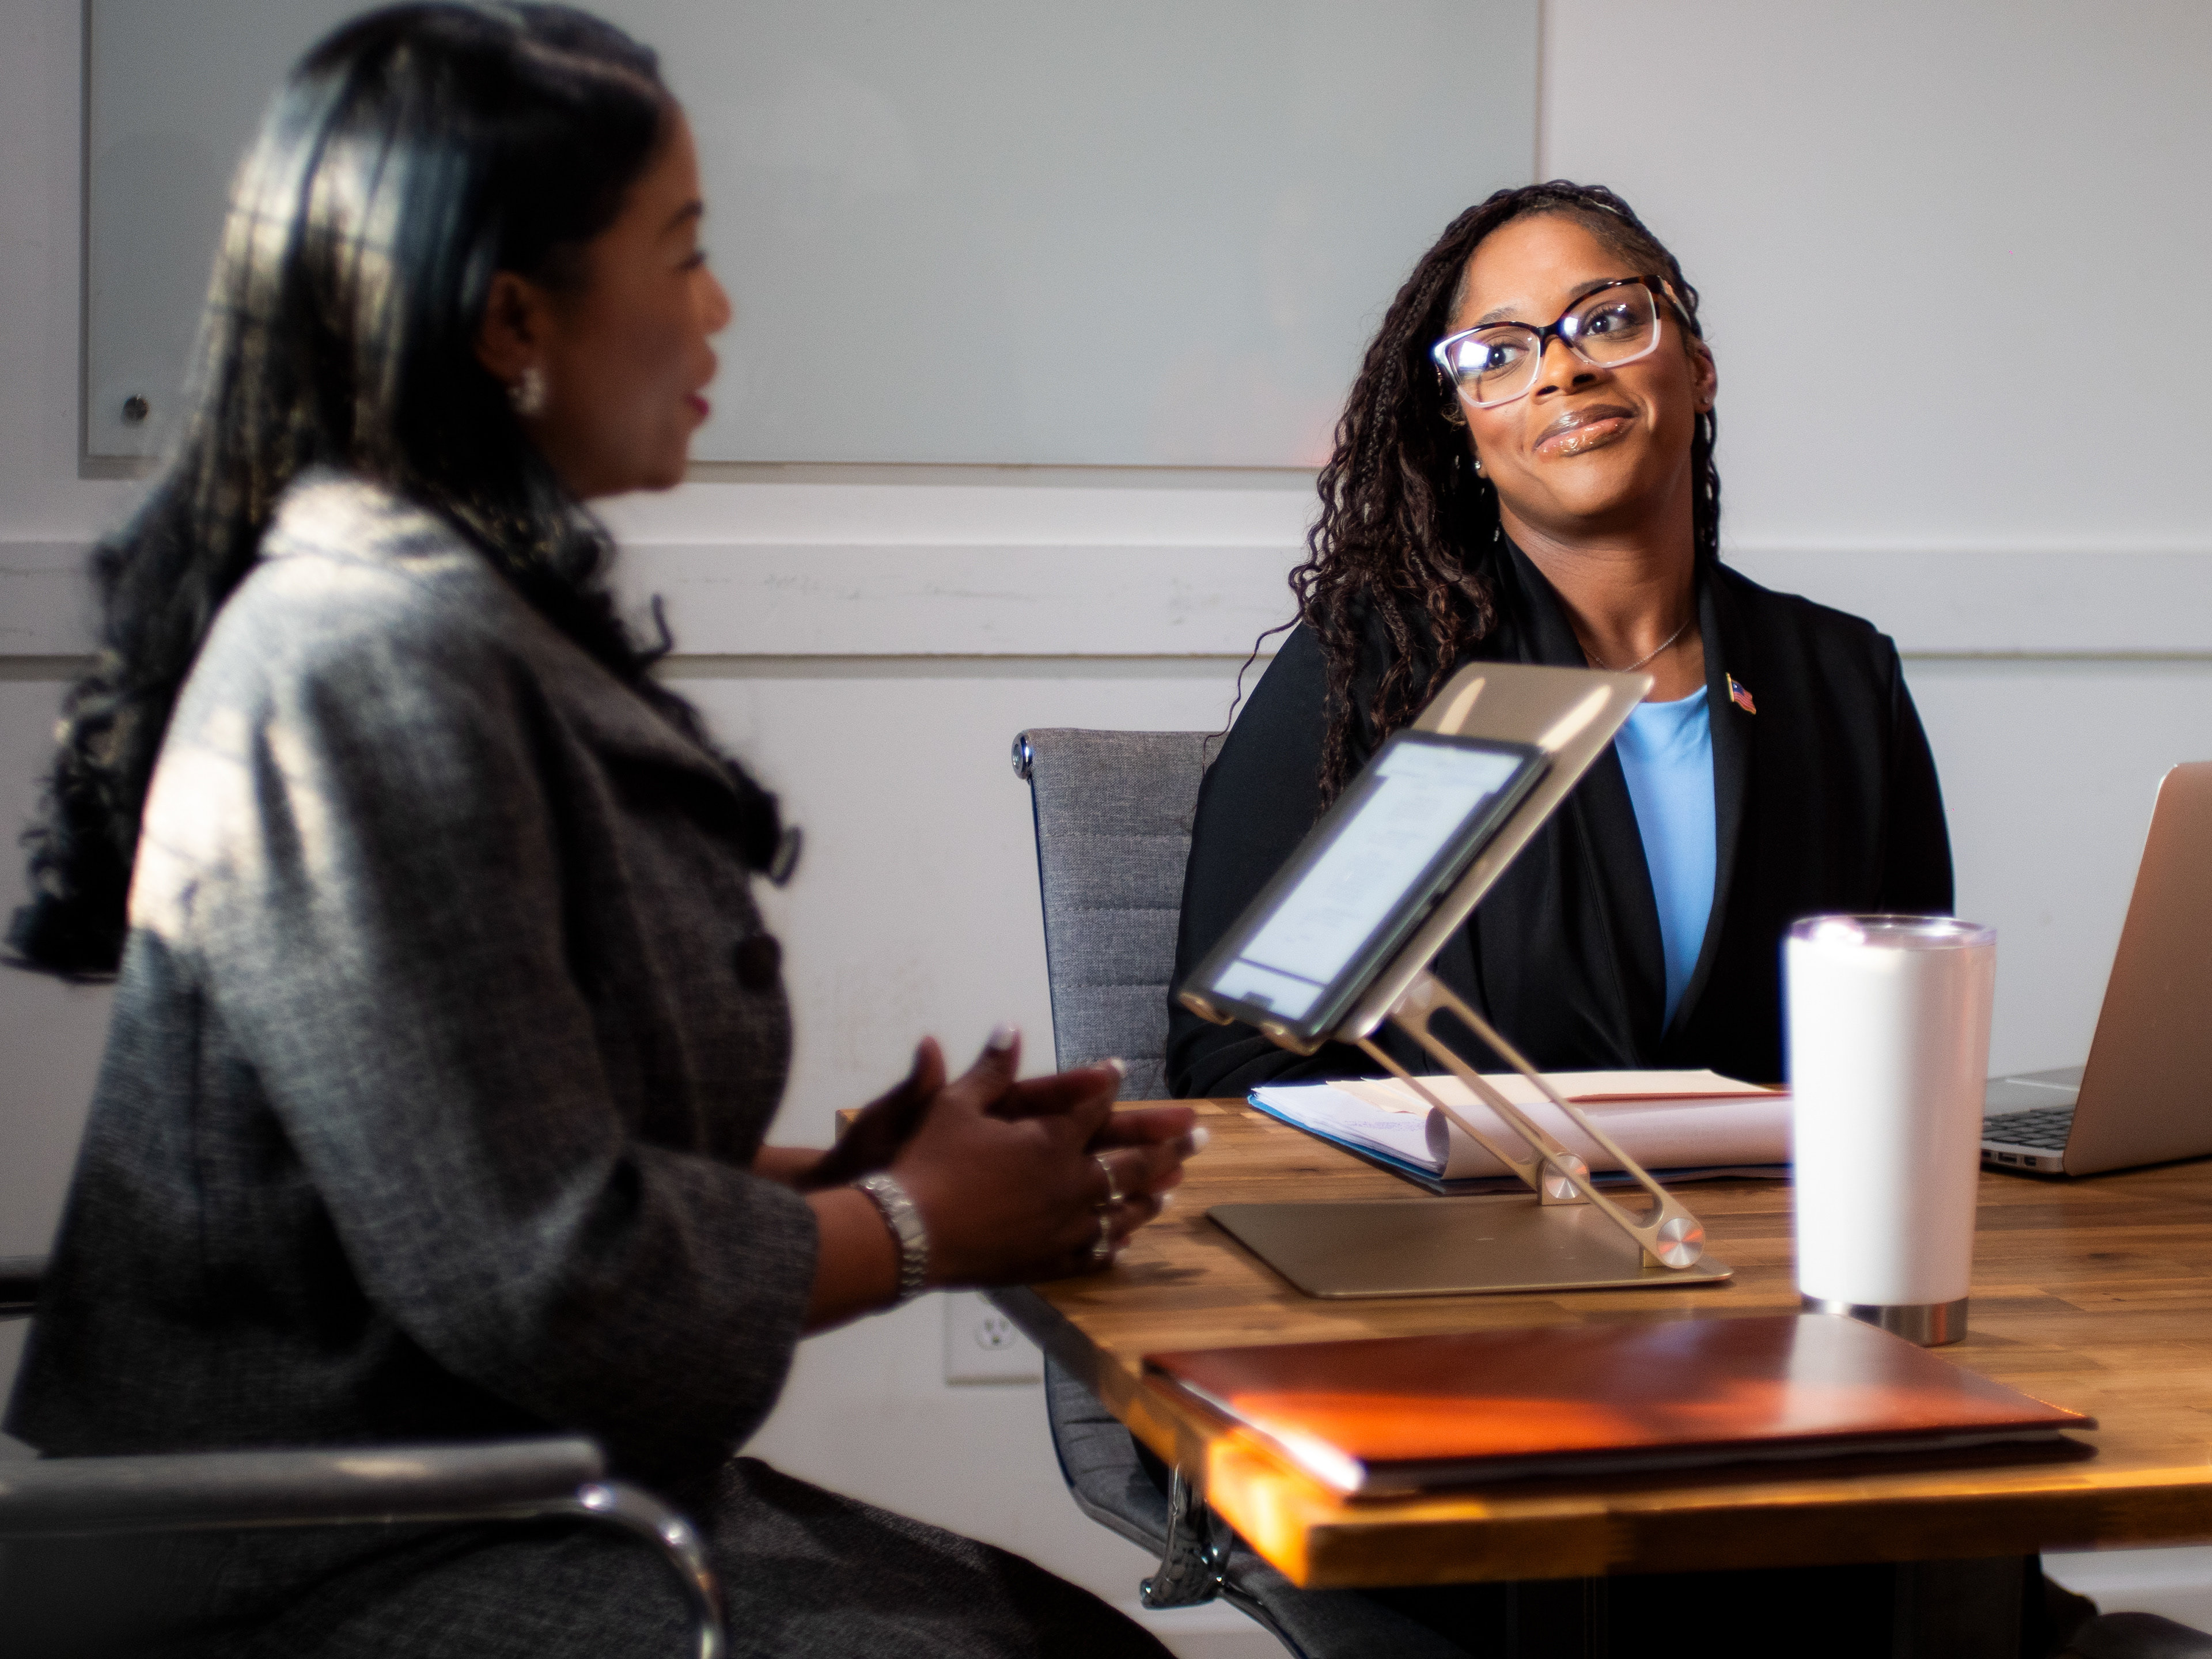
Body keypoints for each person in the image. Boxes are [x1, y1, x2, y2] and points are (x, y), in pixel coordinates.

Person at [2, 8, 1194, 1656]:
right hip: (315, 1546)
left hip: (480, 1487)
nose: (721, 309)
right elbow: (542, 1282)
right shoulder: (369, 660)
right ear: (512, 317)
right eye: (684, 253)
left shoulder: (448, 618)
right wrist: (923, 1227)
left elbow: (503, 1149)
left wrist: (872, 1175)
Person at [1170, 181, 1953, 1100]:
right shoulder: (1384, 670)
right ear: (1468, 427)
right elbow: (1239, 1060)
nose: (1562, 370)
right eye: (1498, 354)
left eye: (1608, 321)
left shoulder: (1844, 681)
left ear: (1698, 368)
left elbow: (1915, 1037)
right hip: (1464, 1194)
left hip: (1775, 1197)